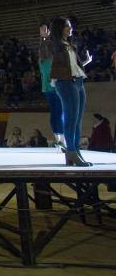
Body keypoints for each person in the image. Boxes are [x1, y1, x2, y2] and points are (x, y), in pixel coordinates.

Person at [48, 17, 93, 166]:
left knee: (78, 120)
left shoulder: (69, 44)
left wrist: (85, 62)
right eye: (67, 26)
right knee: (70, 119)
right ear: (59, 28)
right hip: (66, 82)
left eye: (70, 26)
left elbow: (74, 65)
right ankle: (71, 152)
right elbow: (49, 49)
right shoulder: (55, 44)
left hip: (78, 81)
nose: (70, 28)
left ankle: (75, 152)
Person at [38, 25, 66, 150]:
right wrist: (46, 38)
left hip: (47, 89)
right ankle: (62, 140)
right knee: (60, 113)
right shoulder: (54, 60)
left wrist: (43, 38)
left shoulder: (41, 61)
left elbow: (42, 48)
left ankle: (57, 139)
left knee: (54, 113)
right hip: (57, 88)